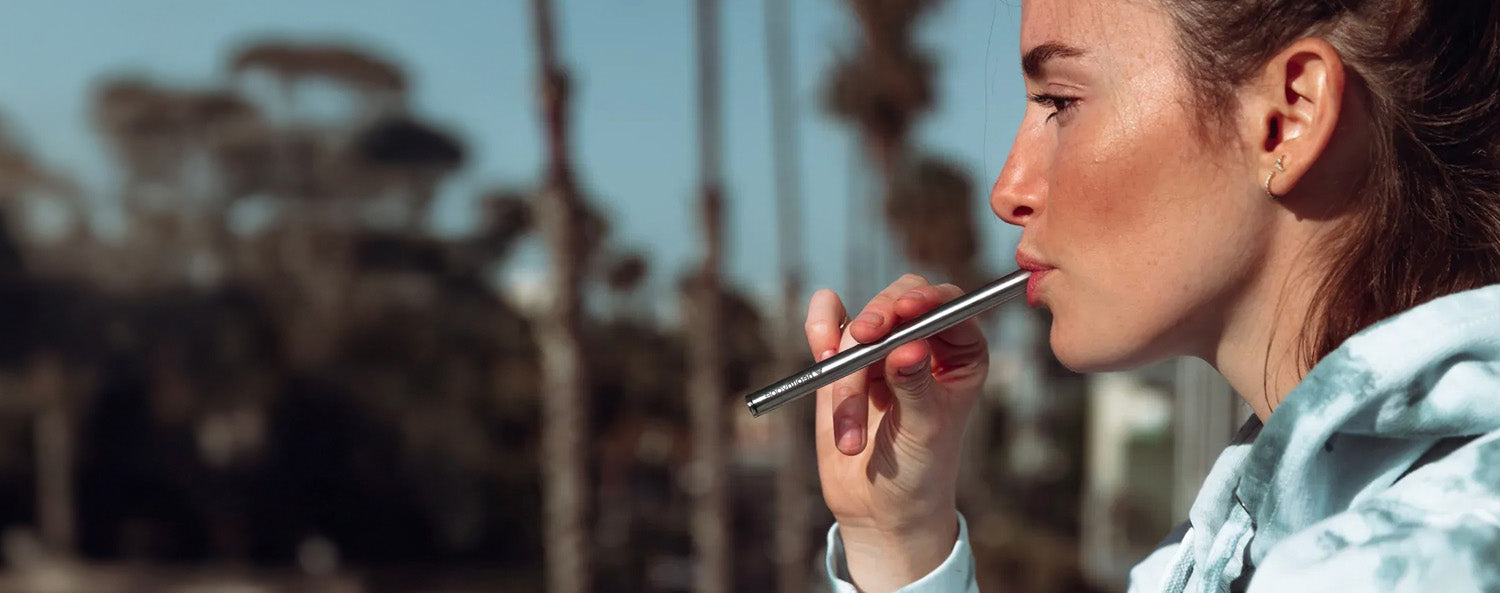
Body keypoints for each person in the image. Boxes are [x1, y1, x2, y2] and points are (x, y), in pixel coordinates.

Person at [804, 0, 1500, 591]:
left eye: (1059, 102)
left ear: (1287, 115)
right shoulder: (1221, 552)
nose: (1009, 190)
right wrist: (898, 539)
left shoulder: (1406, 564)